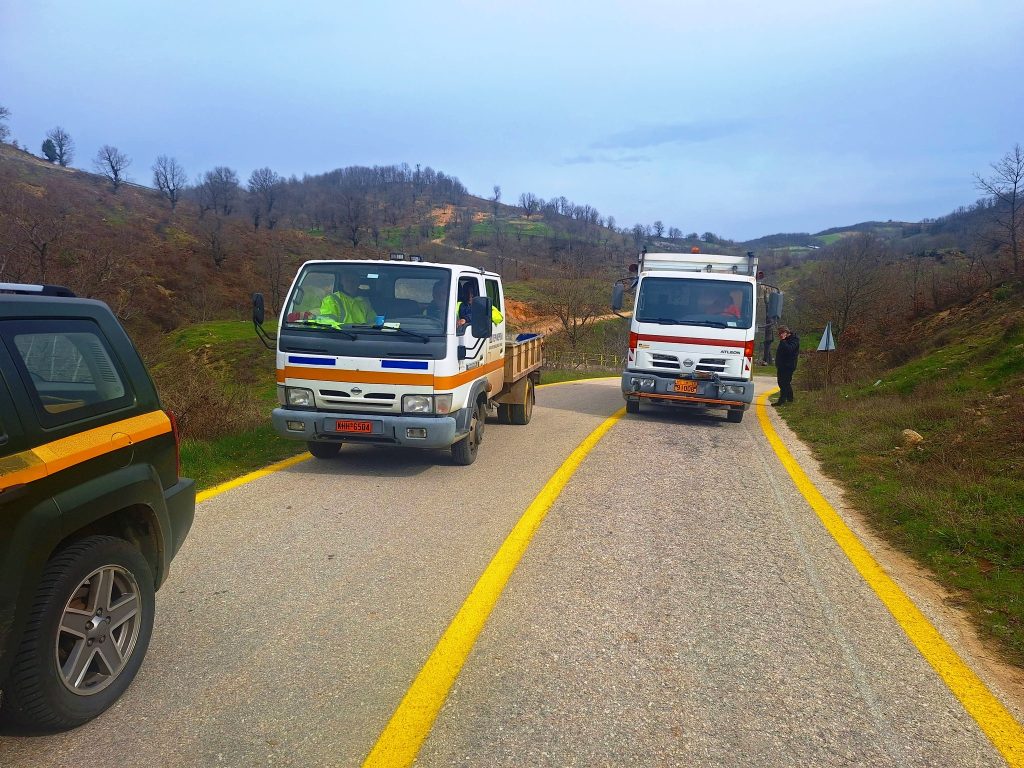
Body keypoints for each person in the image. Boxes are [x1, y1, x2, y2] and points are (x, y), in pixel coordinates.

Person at [773, 325, 800, 406]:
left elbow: (789, 349)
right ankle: (789, 399)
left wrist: (783, 340)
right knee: (781, 382)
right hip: (782, 365)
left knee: (785, 383)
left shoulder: (794, 339)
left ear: (785, 332)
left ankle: (782, 401)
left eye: (780, 333)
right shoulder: (784, 340)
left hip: (789, 365)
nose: (779, 335)